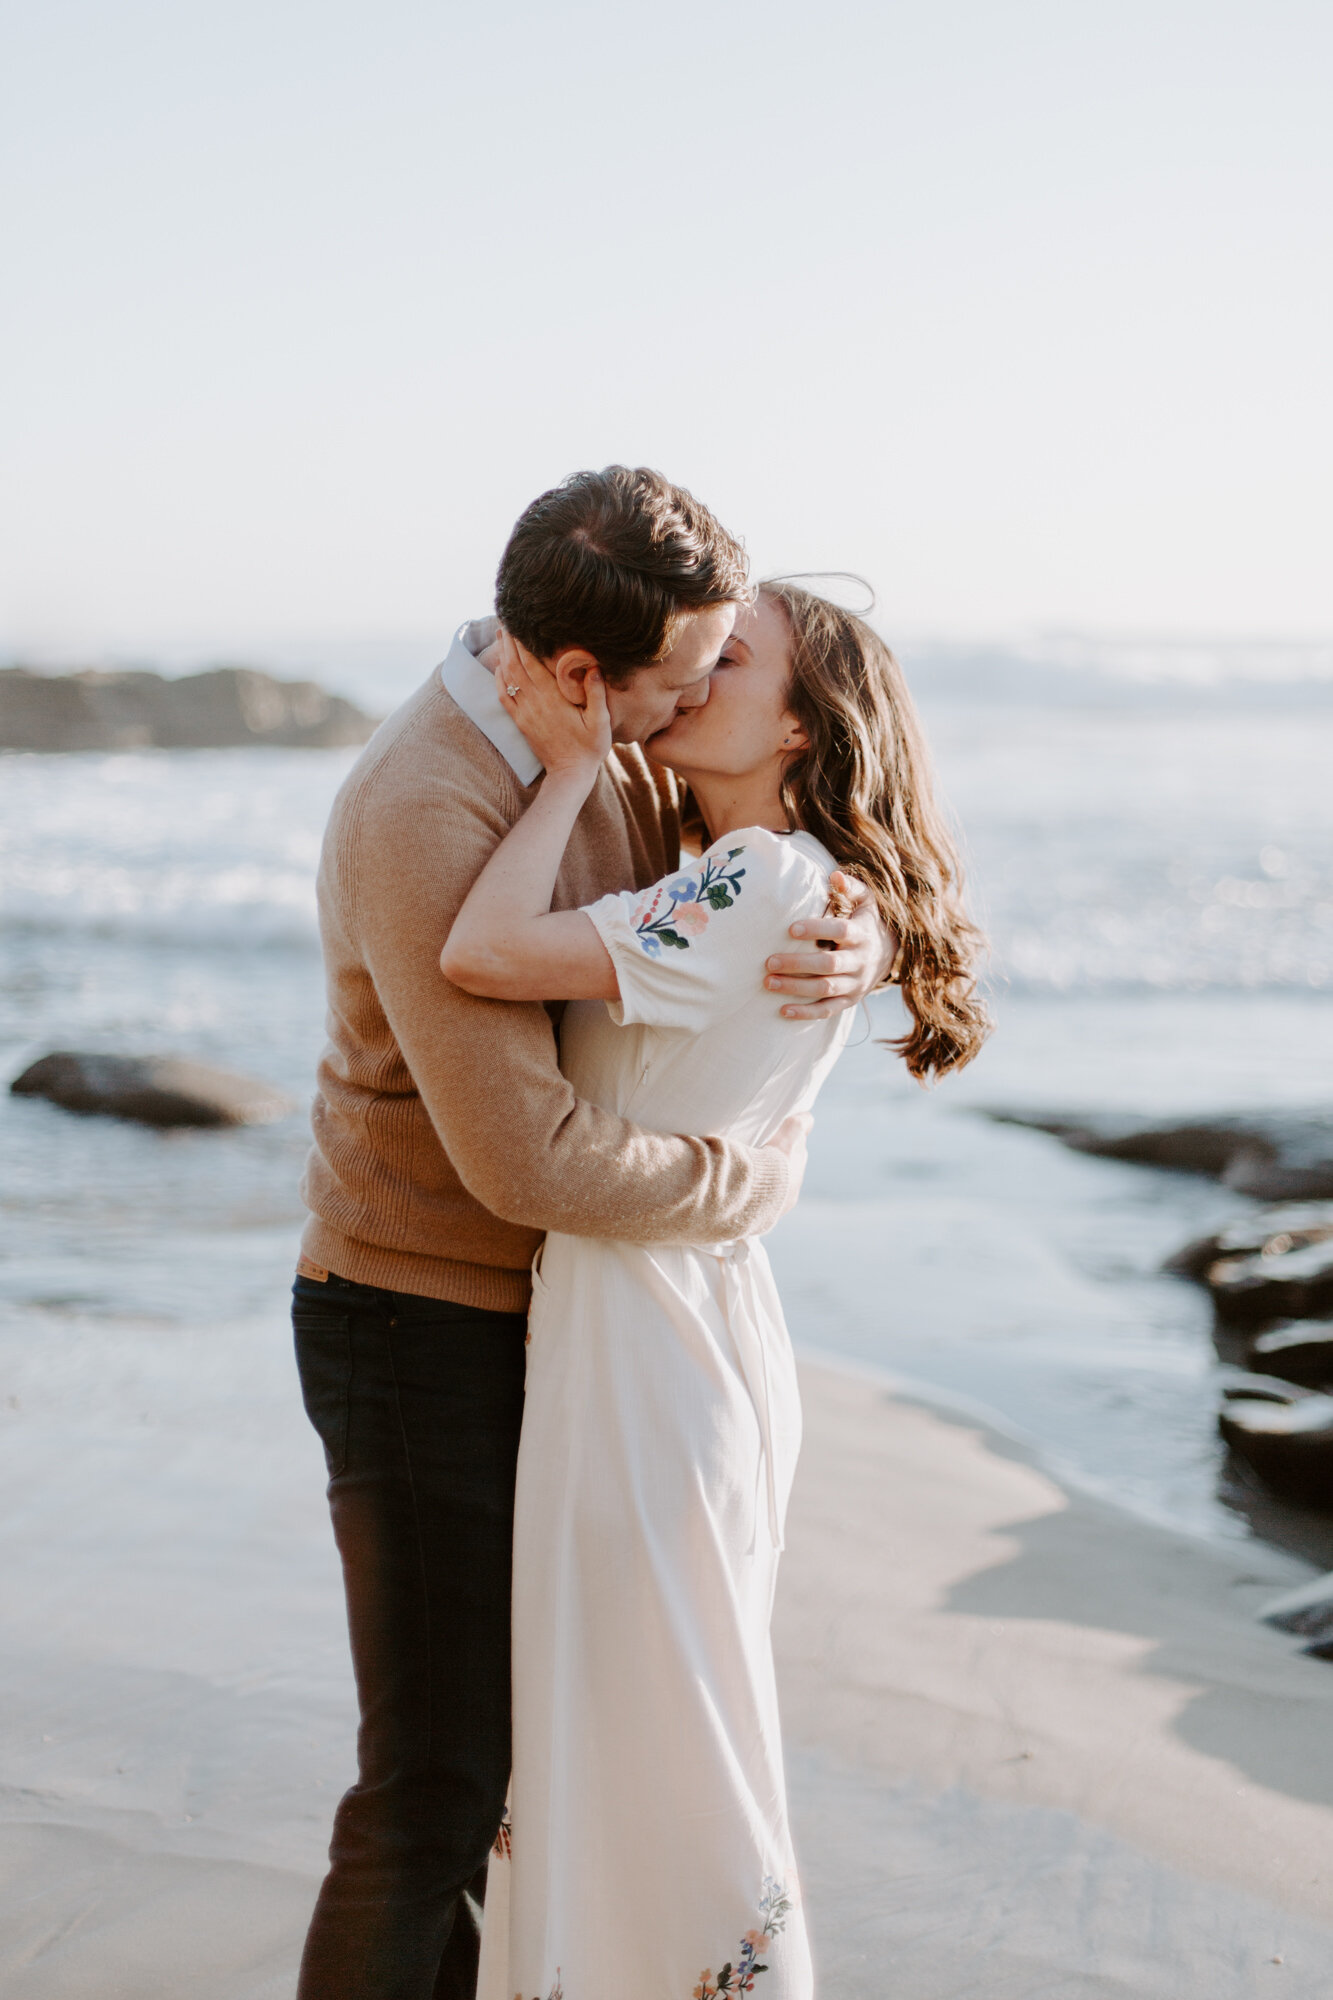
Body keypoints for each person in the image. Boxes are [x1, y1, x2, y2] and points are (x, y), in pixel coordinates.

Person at [292, 469, 894, 2000]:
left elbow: (741, 886)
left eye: (718, 670)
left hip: (566, 1325)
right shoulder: (428, 804)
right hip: (418, 1311)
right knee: (435, 1779)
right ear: (577, 675)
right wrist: (754, 1185)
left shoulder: (609, 740)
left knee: (525, 1770)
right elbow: (525, 1161)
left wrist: (854, 914)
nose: (695, 698)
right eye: (687, 673)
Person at [441, 580, 990, 2000]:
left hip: (651, 1340)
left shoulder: (765, 881)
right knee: (637, 1731)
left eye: (726, 659)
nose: (684, 675)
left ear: (803, 721)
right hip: (668, 1320)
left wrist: (567, 767)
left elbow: (483, 953)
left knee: (664, 1742)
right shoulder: (771, 877)